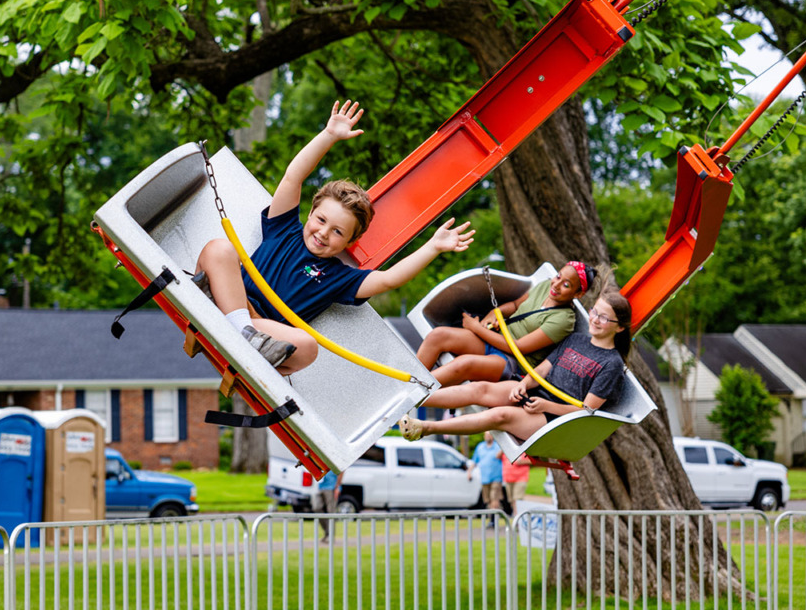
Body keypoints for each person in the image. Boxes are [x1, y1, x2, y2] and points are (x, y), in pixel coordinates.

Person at [193, 100, 475, 374]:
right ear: (312, 212)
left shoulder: (340, 277)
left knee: (307, 346)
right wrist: (328, 136)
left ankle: (247, 340)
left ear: (349, 242)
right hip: (233, 300)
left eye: (337, 232)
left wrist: (433, 247)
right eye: (321, 220)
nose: (323, 233)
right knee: (220, 248)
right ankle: (238, 326)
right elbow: (293, 177)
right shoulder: (284, 228)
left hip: (265, 330)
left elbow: (389, 279)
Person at [398, 290, 632, 442]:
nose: (594, 319)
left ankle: (424, 427)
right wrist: (523, 385)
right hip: (534, 393)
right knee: (479, 389)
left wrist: (546, 406)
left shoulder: (611, 364)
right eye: (594, 312)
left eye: (604, 318)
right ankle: (406, 398)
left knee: (498, 415)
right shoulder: (577, 340)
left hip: (554, 418)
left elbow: (586, 410)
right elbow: (542, 370)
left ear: (619, 327)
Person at [415, 262, 596, 387]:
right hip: (497, 338)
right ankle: (404, 384)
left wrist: (476, 328)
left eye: (566, 284)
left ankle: (413, 393)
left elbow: (519, 348)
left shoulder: (564, 319)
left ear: (578, 294)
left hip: (513, 362)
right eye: (558, 276)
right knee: (438, 336)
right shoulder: (544, 287)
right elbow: (516, 305)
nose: (556, 285)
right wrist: (494, 313)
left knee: (464, 364)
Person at [469, 432, 504, 525]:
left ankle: (493, 520)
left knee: (494, 498)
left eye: (490, 435)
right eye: (486, 435)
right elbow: (475, 461)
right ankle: (493, 517)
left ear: (493, 436)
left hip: (496, 477)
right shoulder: (480, 447)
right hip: (485, 478)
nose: (488, 436)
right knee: (488, 500)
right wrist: (469, 472)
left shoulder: (498, 446)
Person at [314, 470, 344, 542]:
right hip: (321, 486)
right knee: (316, 508)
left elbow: (342, 470)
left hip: (332, 487)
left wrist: (338, 487)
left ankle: (331, 536)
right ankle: (327, 532)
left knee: (331, 512)